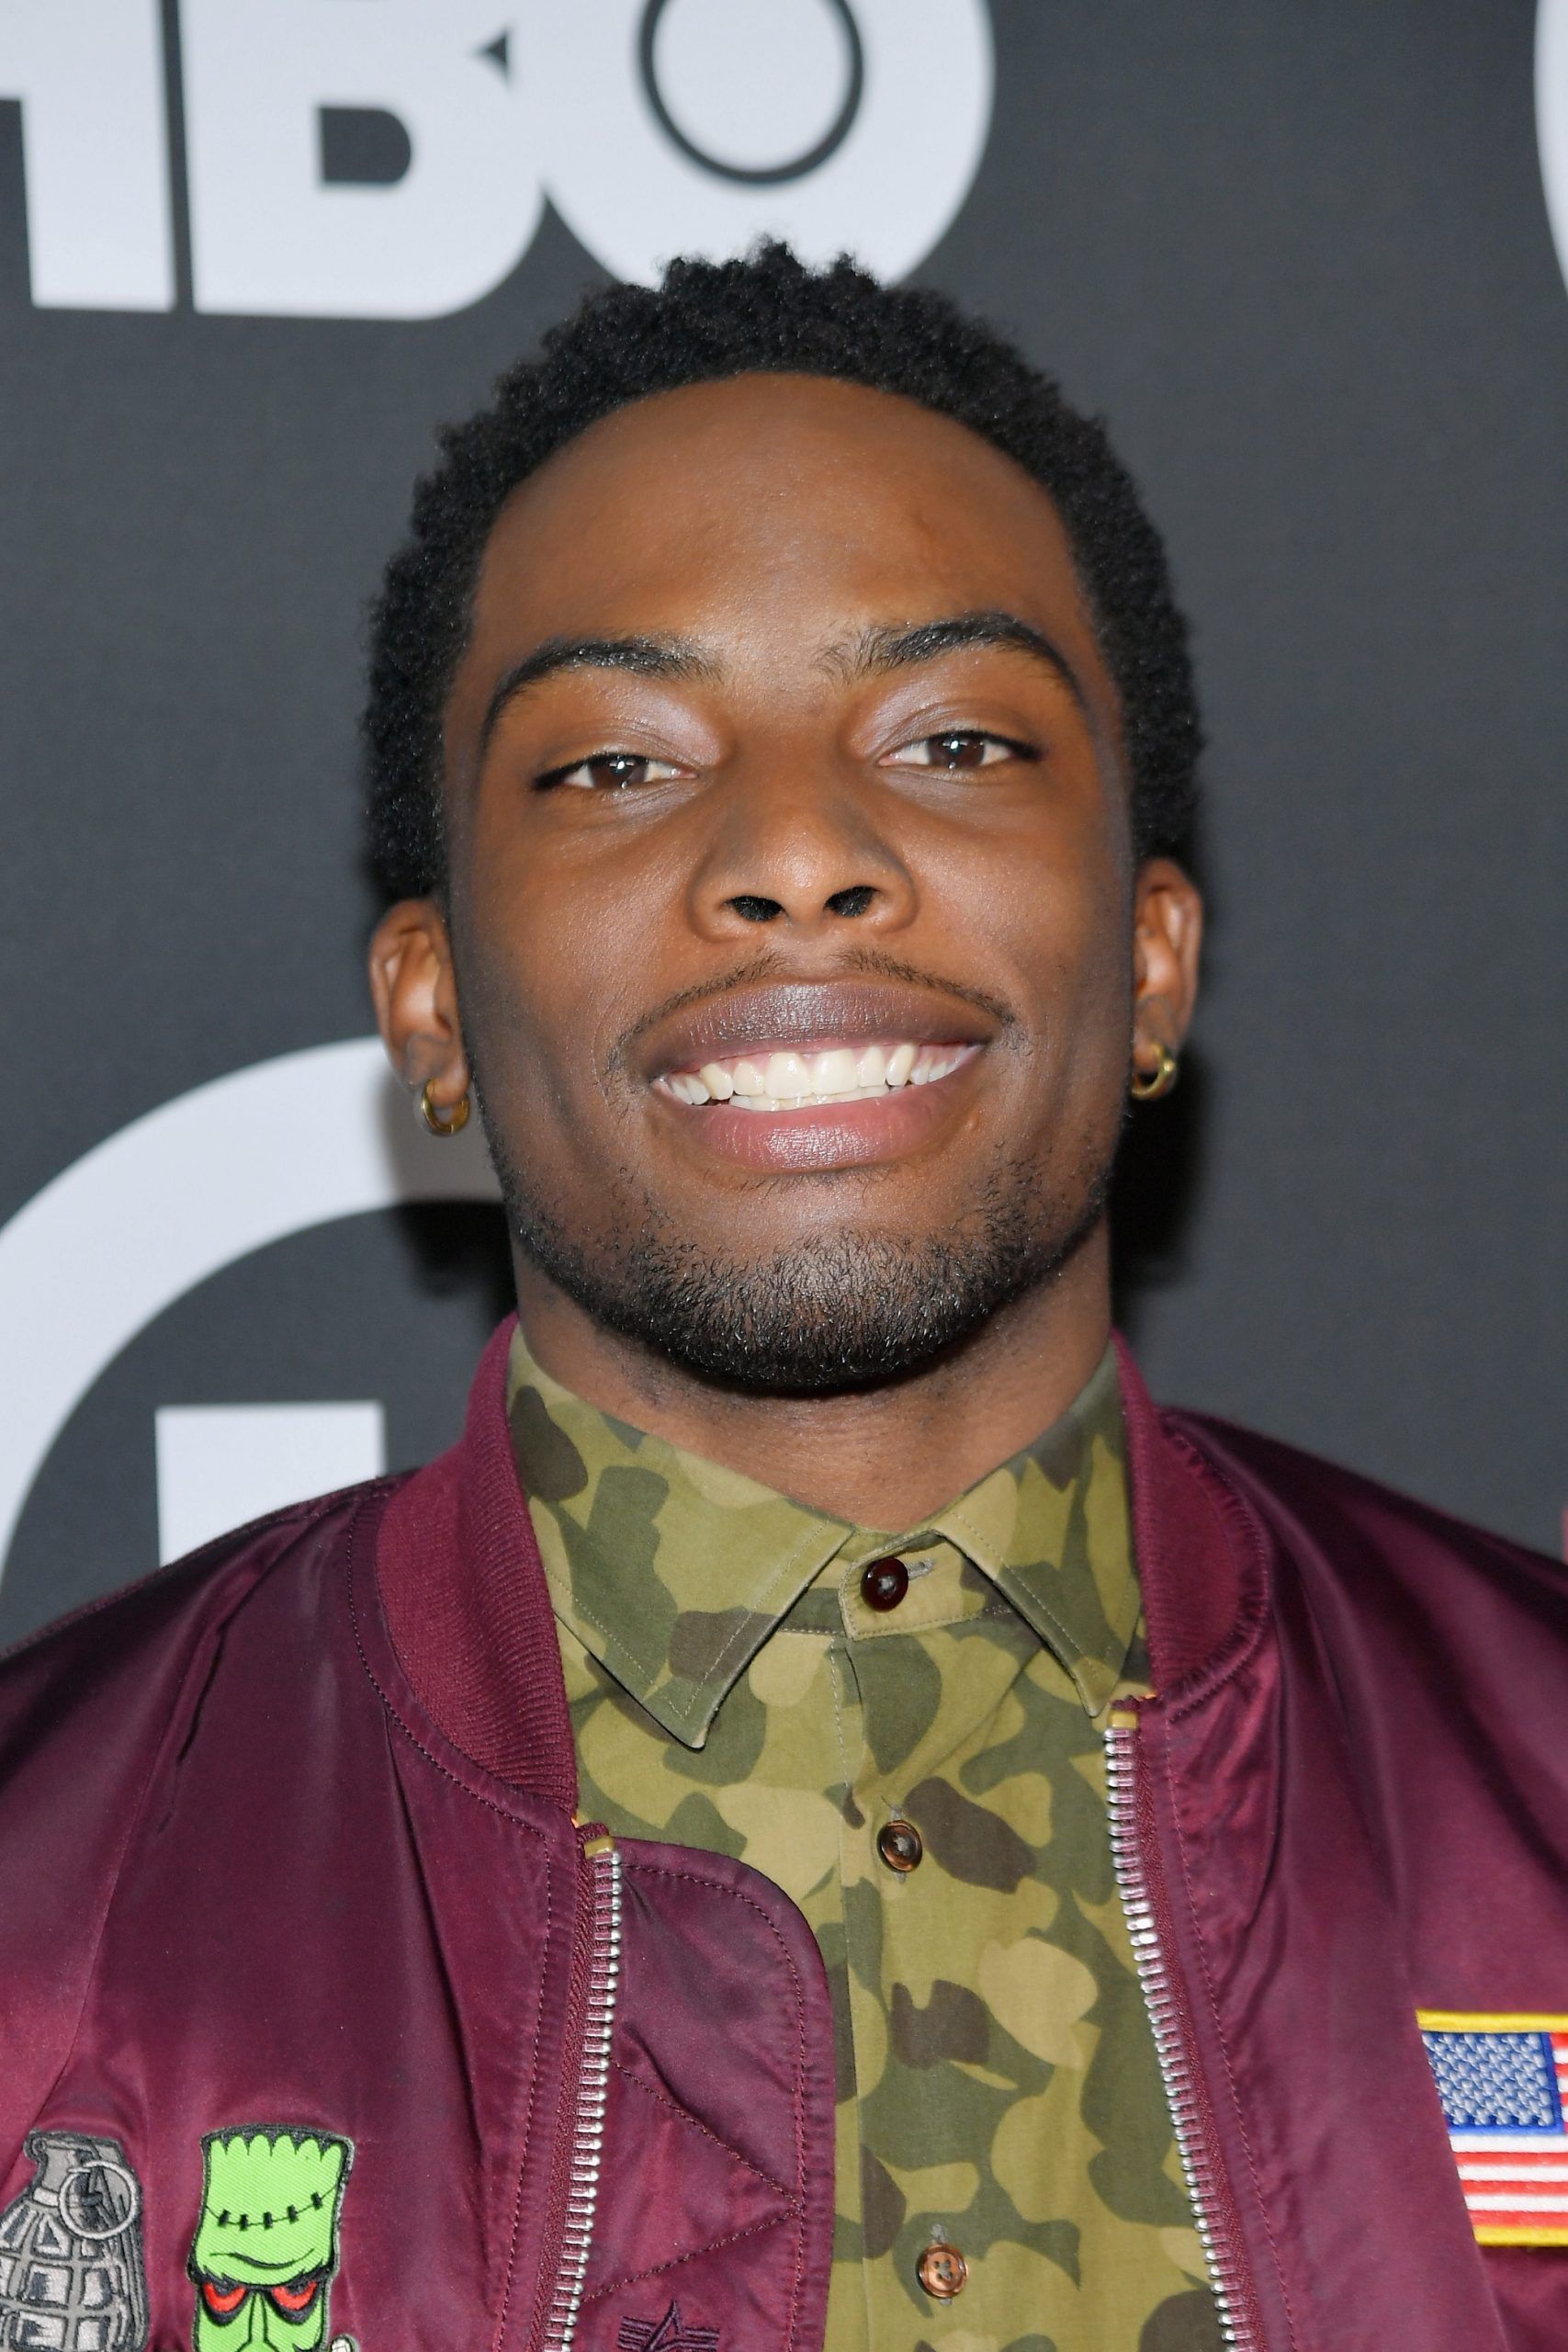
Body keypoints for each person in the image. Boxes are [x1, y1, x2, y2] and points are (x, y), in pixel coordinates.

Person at [0, 245, 1562, 2352]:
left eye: (953, 736)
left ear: (1152, 959)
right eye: (616, 765)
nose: (798, 848)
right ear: (430, 1002)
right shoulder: (46, 1903)